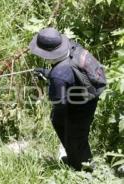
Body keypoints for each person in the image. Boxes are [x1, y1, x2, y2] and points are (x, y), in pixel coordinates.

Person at [29, 27, 103, 171]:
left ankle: (82, 169)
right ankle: (79, 158)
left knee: (74, 136)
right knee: (76, 132)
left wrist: (53, 80)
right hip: (90, 93)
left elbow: (60, 104)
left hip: (80, 104)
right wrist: (47, 73)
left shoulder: (58, 75)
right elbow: (70, 71)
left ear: (47, 53)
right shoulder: (73, 47)